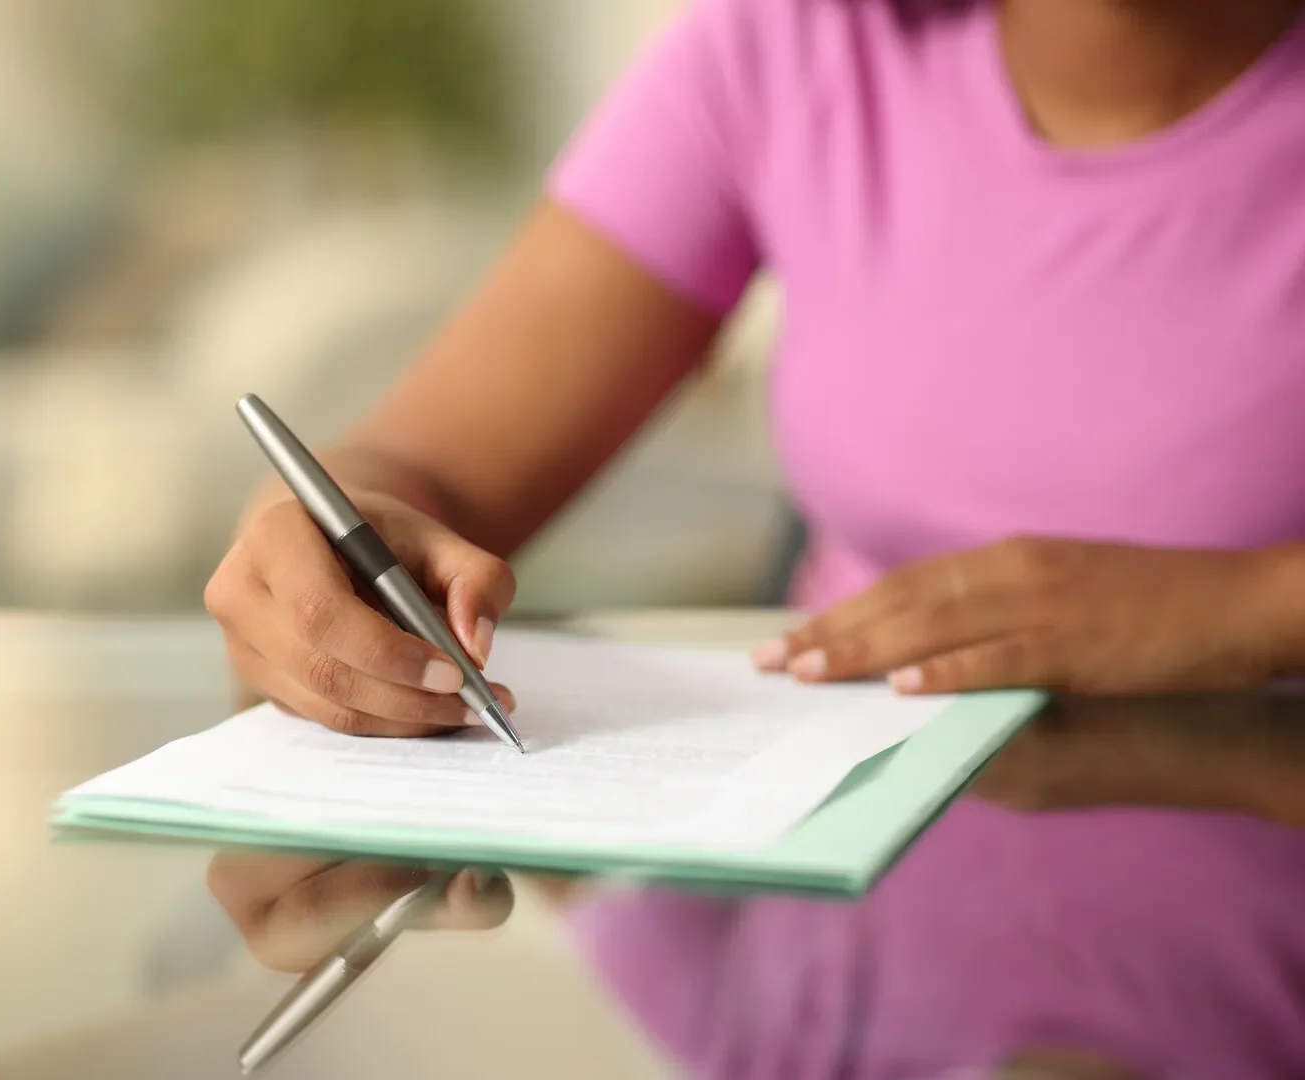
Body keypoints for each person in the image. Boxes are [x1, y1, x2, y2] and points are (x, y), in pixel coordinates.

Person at [204, 0, 1305, 1074]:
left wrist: (1258, 610)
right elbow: (424, 468)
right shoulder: (794, 48)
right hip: (847, 849)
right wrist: (316, 551)